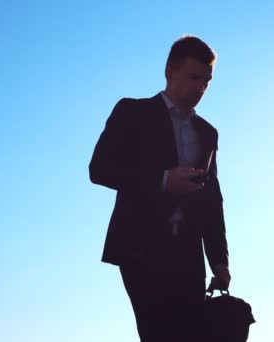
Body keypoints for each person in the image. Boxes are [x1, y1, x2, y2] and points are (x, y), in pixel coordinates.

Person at [89, 35, 231, 342]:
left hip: (188, 253)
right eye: (194, 77)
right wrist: (163, 180)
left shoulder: (208, 133)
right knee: (159, 334)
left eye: (207, 81)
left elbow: (211, 199)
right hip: (140, 247)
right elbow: (99, 169)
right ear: (170, 71)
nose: (200, 88)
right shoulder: (132, 112)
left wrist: (219, 261)